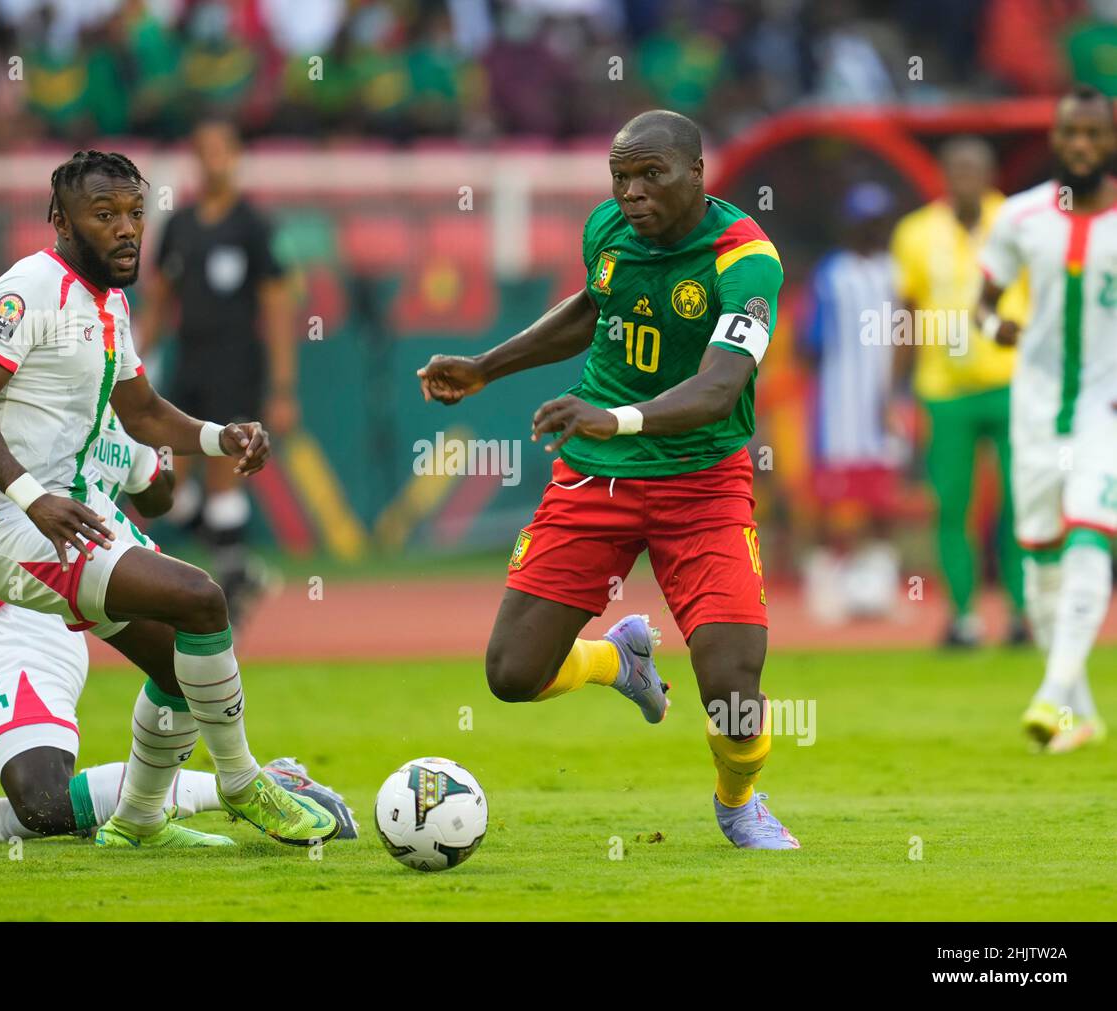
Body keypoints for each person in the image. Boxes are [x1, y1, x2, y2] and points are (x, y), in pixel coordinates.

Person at [0, 261, 360, 844]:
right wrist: (155, 458)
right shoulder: (25, 410)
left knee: (52, 795)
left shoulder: (96, 403)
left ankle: (215, 792)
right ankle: (170, 807)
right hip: (9, 610)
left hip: (36, 613)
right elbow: (160, 496)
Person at [0, 149, 336, 848]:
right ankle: (242, 784)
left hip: (69, 515)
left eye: (135, 214)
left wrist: (218, 436)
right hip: (2, 524)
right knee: (204, 598)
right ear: (60, 220)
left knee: (181, 658)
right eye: (104, 214)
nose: (126, 229)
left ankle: (140, 820)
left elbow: (141, 409)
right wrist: (31, 498)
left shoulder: (110, 303)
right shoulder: (29, 286)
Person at [418, 110, 798, 850]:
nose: (630, 192)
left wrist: (614, 418)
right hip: (595, 480)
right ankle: (614, 660)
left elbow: (720, 388)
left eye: (649, 174)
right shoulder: (608, 231)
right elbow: (595, 307)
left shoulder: (746, 260)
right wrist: (485, 367)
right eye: (619, 177)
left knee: (733, 685)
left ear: (697, 173)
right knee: (511, 673)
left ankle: (739, 802)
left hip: (701, 484)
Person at [976, 85, 1117, 754]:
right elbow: (981, 302)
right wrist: (992, 324)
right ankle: (1079, 712)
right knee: (1039, 570)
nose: (1083, 146)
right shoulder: (1021, 216)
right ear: (1056, 140)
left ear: (1111, 141)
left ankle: (1051, 693)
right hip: (1033, 412)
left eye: (1095, 133)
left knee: (1092, 532)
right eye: (1072, 134)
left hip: (1105, 409)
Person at [138, 117, 298, 624]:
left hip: (237, 365)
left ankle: (228, 597)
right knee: (170, 488)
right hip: (189, 364)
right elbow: (159, 303)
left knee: (225, 477)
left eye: (222, 150)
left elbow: (276, 307)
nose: (213, 160)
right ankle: (238, 570)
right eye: (203, 150)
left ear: (235, 157)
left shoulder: (254, 225)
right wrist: (129, 363)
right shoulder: (179, 225)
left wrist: (283, 386)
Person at [890, 138, 1028, 647]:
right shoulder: (915, 232)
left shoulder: (1017, 222)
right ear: (943, 176)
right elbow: (905, 311)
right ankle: (964, 617)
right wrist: (893, 391)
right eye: (955, 169)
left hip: (1013, 383)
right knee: (952, 505)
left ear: (990, 173)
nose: (964, 178)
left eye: (974, 168)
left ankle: (1021, 614)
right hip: (943, 389)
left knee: (1021, 501)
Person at [799, 182, 903, 624]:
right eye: (865, 223)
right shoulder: (831, 274)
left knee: (882, 502)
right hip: (838, 409)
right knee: (833, 504)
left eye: (877, 222)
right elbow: (810, 343)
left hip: (882, 408)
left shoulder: (895, 273)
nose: (872, 231)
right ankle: (827, 586)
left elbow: (905, 335)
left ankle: (876, 588)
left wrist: (896, 391)